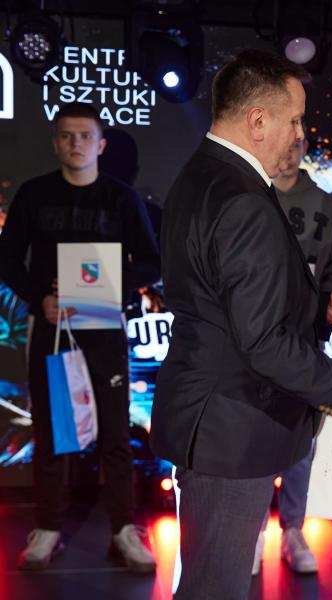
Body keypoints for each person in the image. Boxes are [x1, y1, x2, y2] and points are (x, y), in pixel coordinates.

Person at [150, 49, 332, 600]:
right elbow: (264, 343)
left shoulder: (202, 175)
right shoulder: (242, 198)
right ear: (257, 120)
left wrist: (321, 309)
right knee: (215, 590)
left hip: (214, 419)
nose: (298, 134)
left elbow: (230, 303)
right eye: (293, 120)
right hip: (231, 428)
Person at [0, 102, 160, 573]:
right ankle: (48, 527)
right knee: (54, 429)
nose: (76, 144)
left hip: (103, 324)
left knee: (115, 431)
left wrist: (111, 290)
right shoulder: (34, 195)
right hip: (53, 326)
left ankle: (124, 528)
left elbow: (150, 262)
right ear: (56, 143)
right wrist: (39, 300)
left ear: (101, 145)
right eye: (68, 136)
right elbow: (7, 260)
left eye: (86, 136)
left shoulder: (121, 198)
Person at [250, 133, 332, 576]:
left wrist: (331, 302)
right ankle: (254, 531)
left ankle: (293, 528)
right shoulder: (249, 197)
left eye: (297, 144)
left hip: (307, 342)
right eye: (284, 142)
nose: (289, 151)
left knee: (300, 440)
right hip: (254, 341)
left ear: (304, 148)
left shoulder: (325, 205)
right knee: (255, 439)